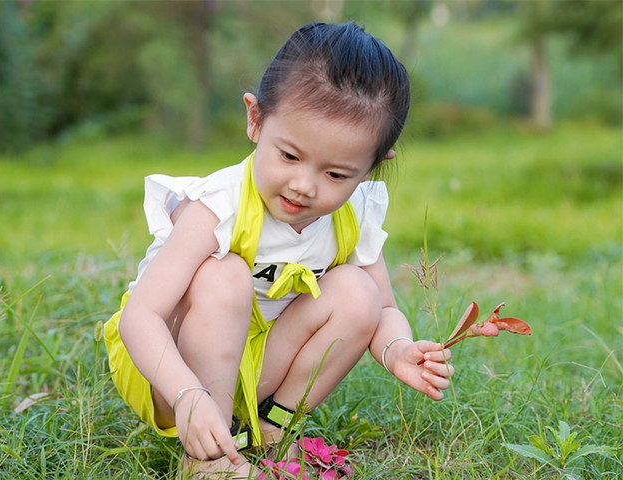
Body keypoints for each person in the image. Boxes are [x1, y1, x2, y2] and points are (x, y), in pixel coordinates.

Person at [104, 22, 455, 480]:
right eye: (289, 156)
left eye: (336, 175)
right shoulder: (218, 206)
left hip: (253, 365)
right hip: (167, 372)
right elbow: (141, 317)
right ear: (255, 119)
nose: (304, 186)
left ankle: (273, 433)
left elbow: (383, 307)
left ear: (371, 167)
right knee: (223, 274)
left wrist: (397, 348)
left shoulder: (353, 215)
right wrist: (188, 395)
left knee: (358, 290)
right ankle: (207, 458)